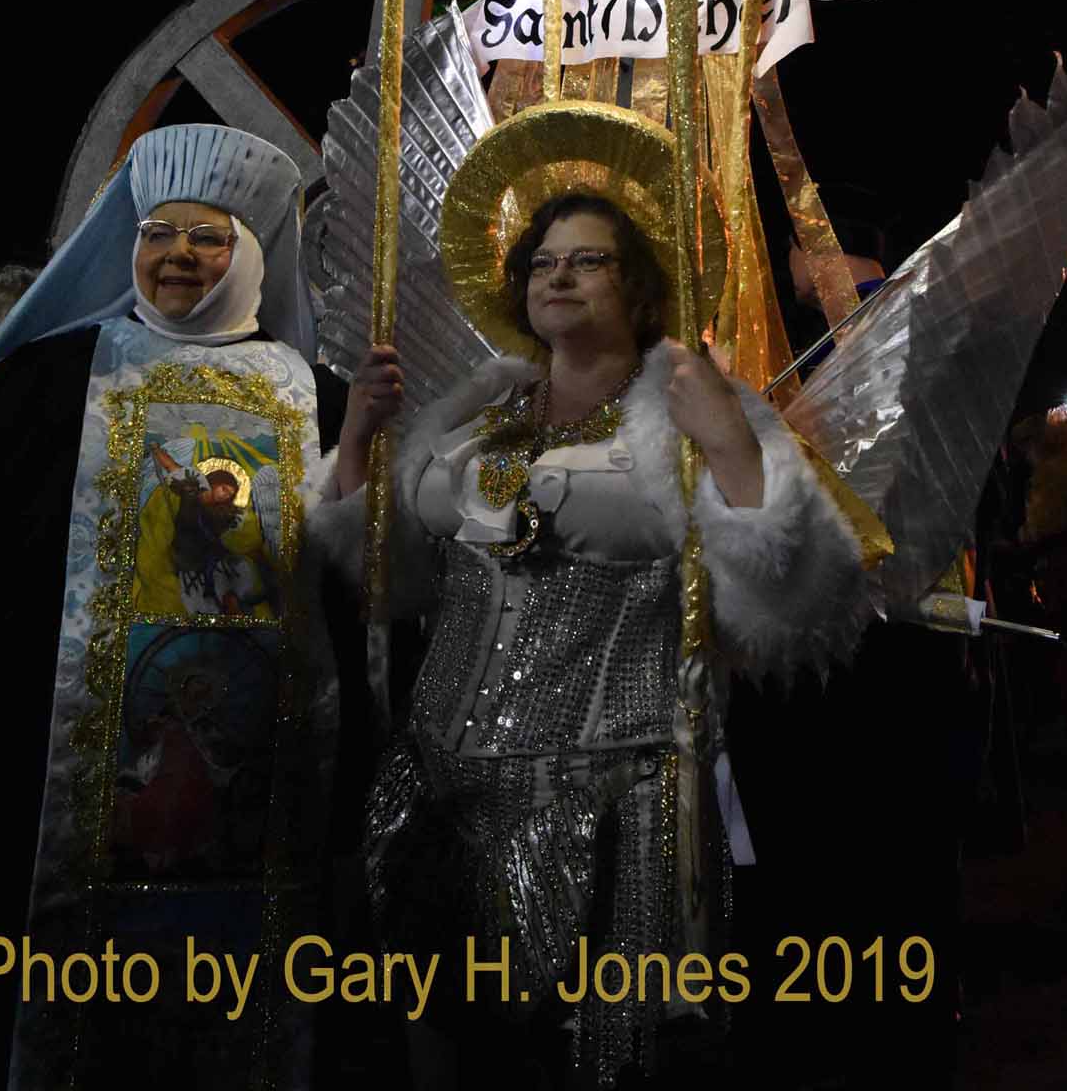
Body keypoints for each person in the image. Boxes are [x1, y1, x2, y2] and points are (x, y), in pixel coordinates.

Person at [313, 188, 866, 1088]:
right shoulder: (474, 415)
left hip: (612, 800)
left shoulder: (692, 410)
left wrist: (729, 447)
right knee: (444, 1057)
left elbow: (797, 603)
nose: (557, 276)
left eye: (587, 259)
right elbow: (387, 580)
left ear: (640, 288)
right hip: (435, 793)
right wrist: (357, 439)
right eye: (541, 262)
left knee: (598, 1062)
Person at [0, 124, 345, 1091]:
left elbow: (357, 578)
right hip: (50, 774)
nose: (178, 255)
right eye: (158, 233)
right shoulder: (51, 380)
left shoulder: (319, 396)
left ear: (254, 256)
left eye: (208, 237)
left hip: (260, 770)